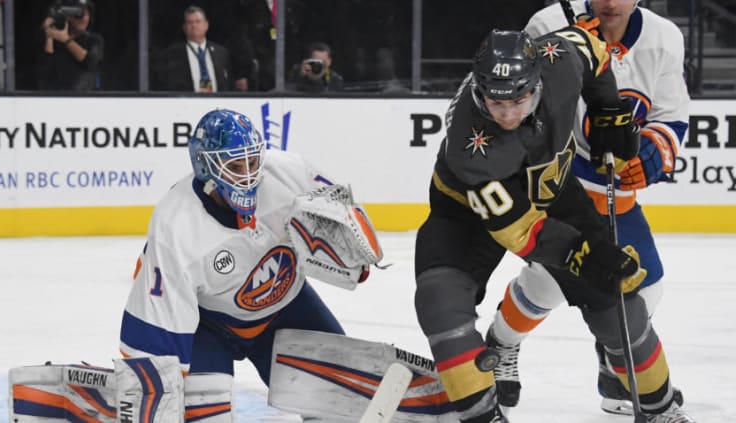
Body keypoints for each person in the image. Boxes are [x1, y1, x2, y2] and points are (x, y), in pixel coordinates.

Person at [413, 26, 694, 423]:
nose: (507, 114)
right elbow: (521, 230)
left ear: (537, 81)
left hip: (554, 191)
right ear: (479, 91)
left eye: (519, 99)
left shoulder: (558, 59)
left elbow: (595, 51)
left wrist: (606, 107)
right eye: (495, 102)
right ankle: (481, 416)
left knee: (618, 305)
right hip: (466, 212)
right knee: (440, 302)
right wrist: (581, 254)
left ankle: (660, 408)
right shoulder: (470, 147)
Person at [484, 0, 690, 417]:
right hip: (559, 186)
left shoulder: (665, 37)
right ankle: (503, 342)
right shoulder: (548, 24)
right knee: (552, 280)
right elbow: (526, 119)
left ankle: (613, 364)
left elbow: (670, 115)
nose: (611, 2)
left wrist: (650, 153)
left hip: (614, 192)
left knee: (646, 288)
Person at [119, 109, 382, 421]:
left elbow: (350, 232)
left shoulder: (290, 173)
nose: (247, 174)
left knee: (343, 401)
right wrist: (151, 398)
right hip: (208, 326)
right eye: (233, 165)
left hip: (286, 306)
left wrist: (354, 258)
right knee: (205, 415)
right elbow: (155, 340)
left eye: (252, 161)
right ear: (206, 167)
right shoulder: (175, 226)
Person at [152, 6, 247, 92]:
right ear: (184, 28)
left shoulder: (221, 53)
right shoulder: (172, 54)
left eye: (198, 21)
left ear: (206, 25)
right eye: (190, 22)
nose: (194, 26)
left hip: (217, 104)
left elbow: (228, 84)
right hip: (186, 105)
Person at [38, 0, 103, 91]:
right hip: (57, 98)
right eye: (78, 14)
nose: (84, 18)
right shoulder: (57, 42)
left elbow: (90, 62)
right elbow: (45, 71)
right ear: (68, 16)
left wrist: (66, 40)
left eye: (87, 14)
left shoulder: (94, 40)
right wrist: (49, 35)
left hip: (86, 99)